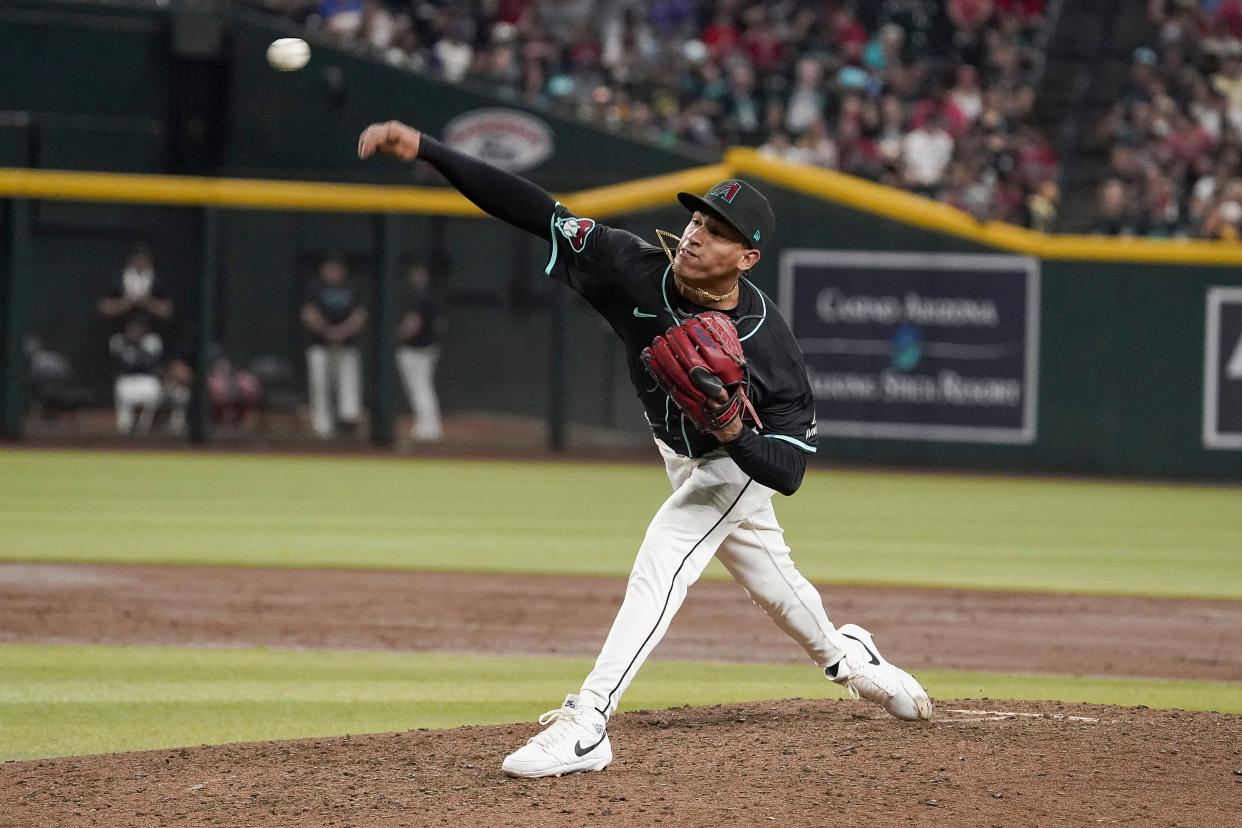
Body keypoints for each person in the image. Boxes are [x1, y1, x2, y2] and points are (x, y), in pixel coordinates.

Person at [358, 119, 932, 779]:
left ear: (748, 257)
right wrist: (429, 149)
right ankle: (849, 658)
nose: (697, 234)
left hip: (736, 461)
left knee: (664, 558)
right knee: (772, 582)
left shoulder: (769, 345)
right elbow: (533, 210)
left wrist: (733, 433)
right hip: (681, 451)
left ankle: (590, 721)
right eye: (697, 220)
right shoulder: (630, 267)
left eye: (719, 231)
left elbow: (790, 472)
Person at [300, 256, 368, 438]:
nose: (333, 272)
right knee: (320, 385)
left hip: (347, 346)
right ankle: (322, 426)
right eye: (329, 268)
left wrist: (342, 332)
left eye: (336, 268)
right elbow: (308, 314)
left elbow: (360, 315)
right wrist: (327, 331)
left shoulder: (353, 288)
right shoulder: (315, 288)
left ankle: (348, 423)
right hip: (320, 346)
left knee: (348, 384)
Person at [395, 261, 444, 442]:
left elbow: (413, 323)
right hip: (429, 348)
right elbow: (440, 324)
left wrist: (398, 336)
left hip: (415, 349)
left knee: (419, 388)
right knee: (423, 387)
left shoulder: (420, 296)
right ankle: (429, 425)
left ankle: (427, 426)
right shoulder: (432, 296)